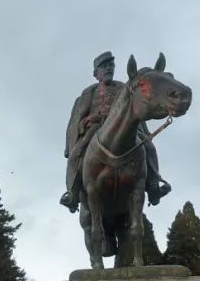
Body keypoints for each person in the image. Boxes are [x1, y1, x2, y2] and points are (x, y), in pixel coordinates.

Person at [61, 51, 169, 216]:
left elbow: (135, 106)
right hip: (96, 128)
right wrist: (88, 120)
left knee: (149, 147)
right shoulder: (88, 93)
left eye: (111, 65)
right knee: (77, 153)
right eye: (104, 66)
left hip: (122, 127)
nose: (108, 68)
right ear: (96, 73)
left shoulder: (123, 87)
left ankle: (154, 185)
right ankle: (72, 193)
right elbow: (77, 120)